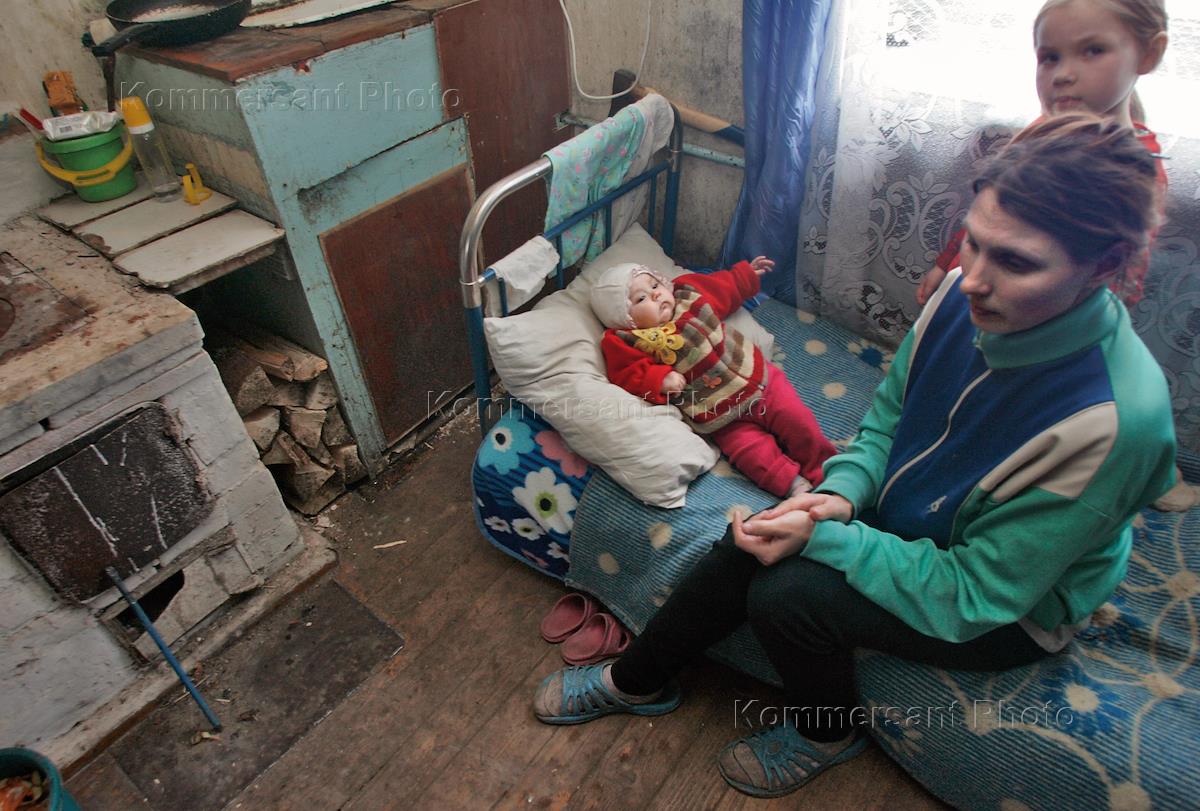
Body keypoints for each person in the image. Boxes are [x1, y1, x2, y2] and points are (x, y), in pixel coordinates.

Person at [534, 114, 1177, 799]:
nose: (973, 280)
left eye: (1016, 262)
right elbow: (886, 424)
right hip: (915, 513)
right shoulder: (958, 296)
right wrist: (834, 498)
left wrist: (825, 538)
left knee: (788, 596)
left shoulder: (1114, 423)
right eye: (974, 242)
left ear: (1103, 267)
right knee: (754, 535)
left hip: (1006, 607)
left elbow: (975, 593)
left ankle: (826, 732)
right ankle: (636, 679)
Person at [916, 0, 1169, 309]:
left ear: (1148, 54)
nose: (1062, 74)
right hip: (969, 286)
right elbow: (988, 212)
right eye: (1050, 57)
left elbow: (1124, 275)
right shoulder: (1040, 131)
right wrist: (946, 266)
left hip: (1033, 315)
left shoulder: (1136, 171)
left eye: (1093, 51)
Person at [589, 259, 837, 498]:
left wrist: (745, 276)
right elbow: (627, 373)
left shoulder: (688, 295)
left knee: (798, 422)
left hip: (759, 380)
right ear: (625, 318)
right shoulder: (626, 341)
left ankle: (826, 473)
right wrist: (660, 380)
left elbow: (721, 288)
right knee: (752, 455)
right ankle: (793, 485)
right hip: (720, 416)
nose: (655, 295)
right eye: (641, 298)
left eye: (655, 285)